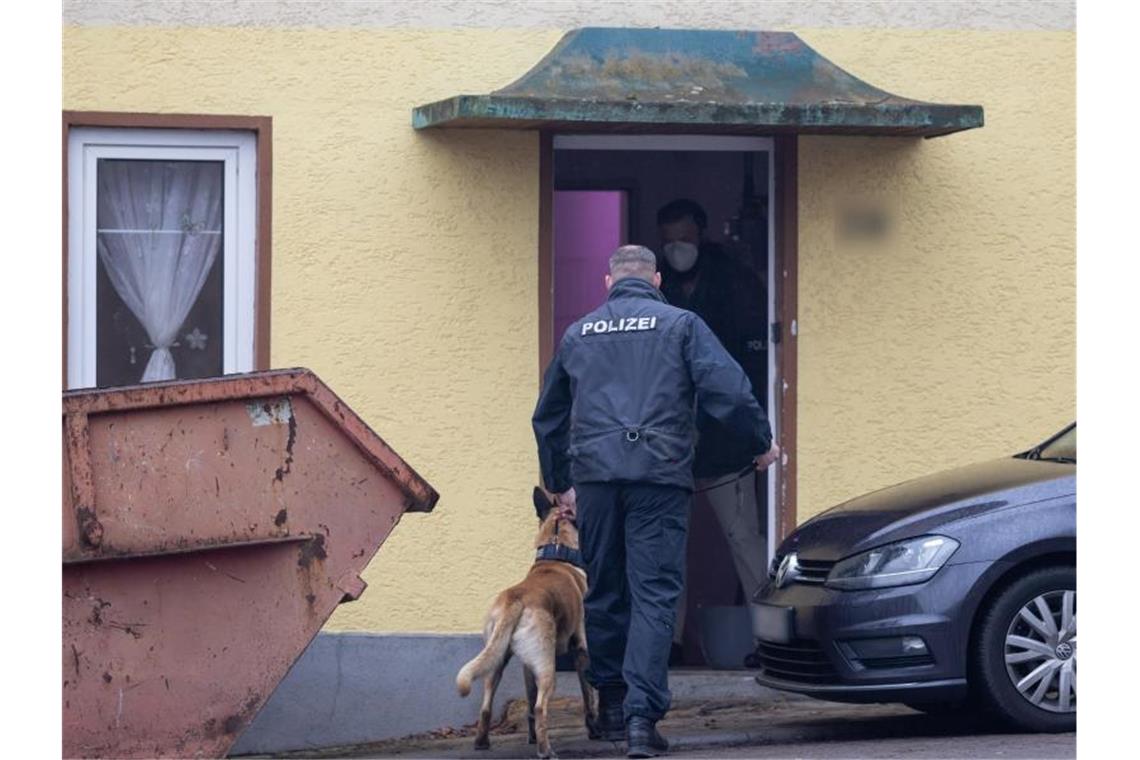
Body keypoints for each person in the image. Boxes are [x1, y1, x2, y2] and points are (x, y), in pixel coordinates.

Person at [532, 245, 778, 758]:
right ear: (657, 280)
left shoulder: (579, 332)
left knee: (605, 592)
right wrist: (760, 443)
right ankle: (644, 721)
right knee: (653, 593)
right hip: (660, 478)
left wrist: (560, 482)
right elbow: (729, 392)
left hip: (596, 480)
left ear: (607, 283)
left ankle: (613, 708)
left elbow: (549, 415)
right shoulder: (682, 325)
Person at [656, 198, 772, 668]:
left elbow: (749, 361)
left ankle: (768, 638)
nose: (677, 248)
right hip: (674, 437)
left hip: (725, 439)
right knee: (667, 545)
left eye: (684, 238)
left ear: (701, 235)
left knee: (745, 541)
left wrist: (752, 431)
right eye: (669, 240)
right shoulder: (658, 288)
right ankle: (668, 643)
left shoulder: (735, 282)